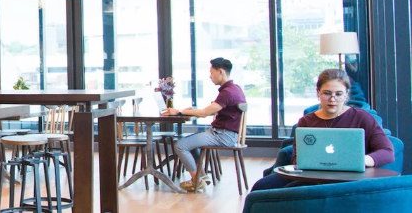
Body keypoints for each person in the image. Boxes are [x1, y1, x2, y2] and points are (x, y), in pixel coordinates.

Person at [251, 69, 394, 191]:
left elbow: (387, 152)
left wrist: (360, 160)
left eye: (338, 94)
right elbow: (297, 159)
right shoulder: (306, 121)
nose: (332, 99)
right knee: (261, 187)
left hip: (348, 179)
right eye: (327, 93)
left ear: (346, 94)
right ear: (318, 92)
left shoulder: (362, 117)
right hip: (311, 176)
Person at [162, 57, 246, 192]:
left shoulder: (227, 92)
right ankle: (201, 176)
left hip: (222, 135)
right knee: (190, 142)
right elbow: (210, 111)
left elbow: (205, 113)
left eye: (212, 73)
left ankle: (196, 181)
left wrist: (179, 111)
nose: (210, 76)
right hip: (226, 134)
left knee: (180, 145)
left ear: (220, 72)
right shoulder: (235, 89)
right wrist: (189, 112)